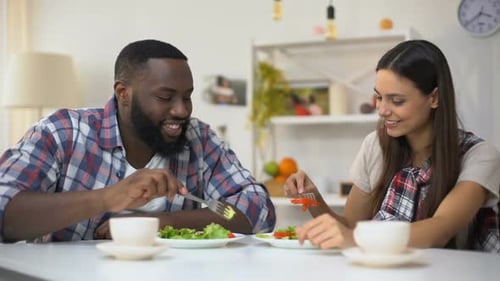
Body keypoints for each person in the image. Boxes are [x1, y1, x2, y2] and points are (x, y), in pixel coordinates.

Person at [0, 39, 276, 243]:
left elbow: (258, 209)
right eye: (165, 97)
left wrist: (160, 222)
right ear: (124, 93)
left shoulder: (200, 140)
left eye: (187, 97)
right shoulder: (63, 132)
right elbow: (5, 212)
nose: (181, 110)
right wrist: (110, 197)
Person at [284, 40, 500, 252]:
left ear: (434, 98)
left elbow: (440, 230)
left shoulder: (479, 156)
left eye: (396, 101)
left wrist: (358, 238)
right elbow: (350, 228)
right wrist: (312, 198)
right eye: (378, 97)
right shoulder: (375, 146)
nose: (382, 110)